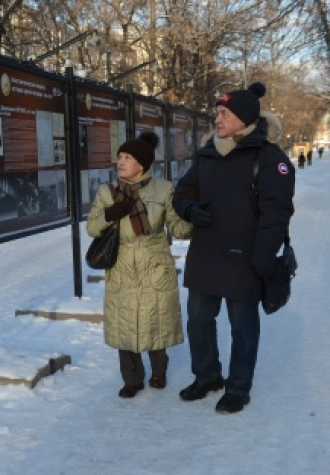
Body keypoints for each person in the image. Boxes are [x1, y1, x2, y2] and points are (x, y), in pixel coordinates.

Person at [172, 82, 295, 414]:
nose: (217, 118)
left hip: (245, 258)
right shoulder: (208, 152)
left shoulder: (269, 157)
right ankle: (207, 376)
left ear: (243, 118)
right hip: (206, 255)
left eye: (224, 113)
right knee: (198, 319)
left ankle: (238, 387)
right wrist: (188, 209)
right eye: (217, 112)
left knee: (242, 325)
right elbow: (182, 192)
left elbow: (277, 212)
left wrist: (263, 256)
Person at [87, 131, 192, 399]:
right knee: (125, 322)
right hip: (121, 263)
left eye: (127, 157)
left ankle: (159, 370)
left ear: (141, 165)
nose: (120, 162)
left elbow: (177, 229)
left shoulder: (163, 189)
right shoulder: (106, 193)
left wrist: (194, 217)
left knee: (154, 319)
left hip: (154, 262)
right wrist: (110, 215)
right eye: (119, 157)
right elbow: (92, 227)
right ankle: (131, 379)